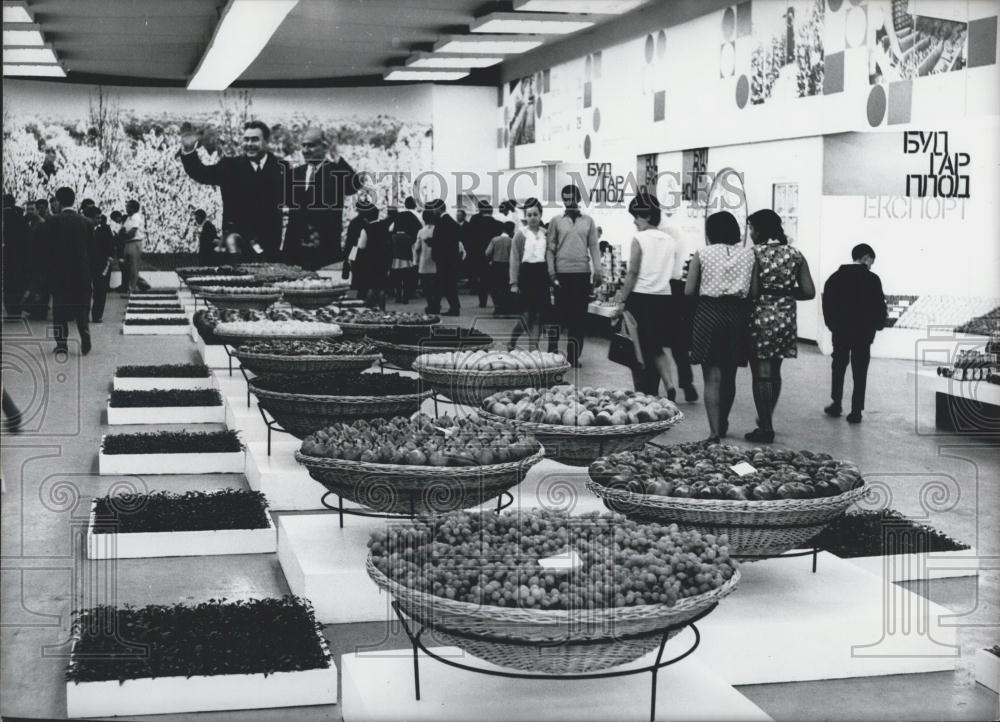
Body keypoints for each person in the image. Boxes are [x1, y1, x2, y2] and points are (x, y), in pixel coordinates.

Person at [745, 208, 815, 442]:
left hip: (760, 316)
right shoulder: (795, 254)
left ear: (760, 229)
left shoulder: (754, 254)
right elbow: (808, 291)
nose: (751, 233)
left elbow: (753, 291)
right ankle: (767, 418)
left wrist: (765, 293)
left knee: (760, 373)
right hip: (786, 316)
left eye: (752, 228)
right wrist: (784, 292)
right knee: (775, 371)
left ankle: (765, 427)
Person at [685, 212, 756, 441]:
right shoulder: (749, 255)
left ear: (710, 231)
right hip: (737, 315)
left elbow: (689, 290)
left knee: (711, 376)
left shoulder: (702, 253)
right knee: (730, 374)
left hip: (708, 313)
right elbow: (754, 292)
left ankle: (714, 431)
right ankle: (723, 420)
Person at [179, 120, 290, 260]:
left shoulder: (281, 169)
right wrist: (189, 150)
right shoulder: (230, 167)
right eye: (246, 139)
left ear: (266, 141)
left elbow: (295, 201)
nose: (249, 144)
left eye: (255, 139)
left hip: (268, 249)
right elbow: (201, 173)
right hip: (235, 247)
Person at [612, 191, 685, 398]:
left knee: (638, 349)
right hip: (664, 298)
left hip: (640, 299)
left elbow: (633, 272)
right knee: (657, 347)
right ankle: (669, 384)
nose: (634, 221)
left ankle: (642, 393)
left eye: (637, 216)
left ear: (649, 216)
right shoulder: (669, 240)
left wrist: (621, 300)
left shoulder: (639, 238)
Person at [822, 243, 887, 424]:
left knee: (838, 366)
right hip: (863, 334)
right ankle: (856, 410)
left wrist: (832, 326)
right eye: (871, 262)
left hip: (840, 331)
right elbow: (879, 306)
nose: (871, 266)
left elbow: (827, 304)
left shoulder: (835, 278)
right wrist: (877, 326)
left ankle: (836, 403)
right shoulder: (872, 279)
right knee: (860, 371)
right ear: (866, 258)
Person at [285, 126, 362, 269]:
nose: (306, 150)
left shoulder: (336, 171)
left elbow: (354, 186)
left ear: (324, 146)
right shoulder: (295, 174)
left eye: (312, 146)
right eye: (304, 145)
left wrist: (336, 156)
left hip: (325, 250)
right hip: (295, 251)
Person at [546, 184, 602, 367]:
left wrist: (598, 270)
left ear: (578, 199)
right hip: (561, 274)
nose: (569, 202)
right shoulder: (556, 221)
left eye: (572, 198)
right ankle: (552, 353)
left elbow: (594, 246)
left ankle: (573, 356)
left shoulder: (588, 221)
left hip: (582, 274)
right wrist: (552, 272)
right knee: (558, 317)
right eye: (565, 198)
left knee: (578, 318)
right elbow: (550, 249)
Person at [43, 187, 92, 356]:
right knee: (81, 307)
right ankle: (85, 338)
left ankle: (62, 343)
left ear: (59, 200)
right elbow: (91, 250)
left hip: (60, 273)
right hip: (81, 272)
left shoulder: (52, 221)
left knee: (60, 308)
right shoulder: (86, 222)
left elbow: (48, 250)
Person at [509, 198, 552, 350]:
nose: (532, 218)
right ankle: (512, 339)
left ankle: (533, 350)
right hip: (526, 275)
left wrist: (552, 278)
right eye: (529, 215)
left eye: (535, 214)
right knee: (525, 317)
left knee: (538, 316)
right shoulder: (520, 235)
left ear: (540, 215)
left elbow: (550, 256)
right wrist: (514, 283)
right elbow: (514, 259)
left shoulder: (546, 234)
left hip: (541, 276)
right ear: (525, 217)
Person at [426, 199, 463, 316]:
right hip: (450, 257)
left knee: (446, 283)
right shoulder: (451, 222)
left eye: (433, 209)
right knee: (445, 283)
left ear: (437, 209)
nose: (432, 211)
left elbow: (441, 240)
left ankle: (449, 307)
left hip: (444, 258)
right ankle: (439, 306)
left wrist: (431, 242)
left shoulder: (442, 222)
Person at [465, 200, 505, 309]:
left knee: (482, 280)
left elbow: (469, 240)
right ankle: (497, 302)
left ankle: (482, 302)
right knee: (495, 281)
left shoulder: (474, 223)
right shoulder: (499, 225)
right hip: (495, 256)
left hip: (479, 256)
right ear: (491, 212)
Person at [355, 209, 394, 310]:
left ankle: (370, 310)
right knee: (381, 286)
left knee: (370, 285)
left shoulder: (365, 229)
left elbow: (361, 246)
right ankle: (382, 310)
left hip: (370, 261)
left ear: (366, 218)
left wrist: (352, 258)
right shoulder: (385, 227)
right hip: (383, 260)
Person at [390, 197, 422, 304]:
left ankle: (398, 294)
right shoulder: (417, 216)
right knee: (409, 271)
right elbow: (420, 230)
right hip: (410, 245)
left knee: (397, 271)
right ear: (414, 205)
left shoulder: (399, 215)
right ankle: (408, 293)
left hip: (398, 246)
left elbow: (391, 229)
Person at [84, 207, 114, 323]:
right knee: (85, 291)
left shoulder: (105, 229)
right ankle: (84, 315)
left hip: (101, 265)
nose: (99, 220)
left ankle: (97, 316)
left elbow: (111, 244)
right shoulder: (83, 228)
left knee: (100, 291)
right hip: (86, 264)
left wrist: (110, 258)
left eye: (100, 218)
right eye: (96, 218)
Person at [343, 200, 378, 294]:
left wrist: (346, 256)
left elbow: (349, 241)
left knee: (355, 270)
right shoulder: (369, 222)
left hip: (354, 249)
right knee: (366, 270)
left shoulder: (354, 222)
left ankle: (357, 290)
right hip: (367, 251)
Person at [2, 194, 29, 316]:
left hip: (6, 252)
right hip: (18, 254)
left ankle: (10, 309)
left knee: (7, 282)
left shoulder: (5, 216)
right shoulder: (19, 216)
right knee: (16, 281)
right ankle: (16, 309)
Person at [485, 221, 515, 315]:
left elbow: (487, 253)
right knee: (506, 287)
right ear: (512, 230)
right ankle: (506, 307)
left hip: (495, 265)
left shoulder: (495, 239)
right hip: (507, 266)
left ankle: (497, 306)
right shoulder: (512, 241)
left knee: (495, 287)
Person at [415, 209, 439, 313]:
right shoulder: (438, 230)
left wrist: (415, 261)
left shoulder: (421, 231)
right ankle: (436, 304)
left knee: (426, 287)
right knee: (436, 286)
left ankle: (430, 304)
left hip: (424, 262)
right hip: (436, 262)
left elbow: (417, 248)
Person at [120, 199, 145, 295]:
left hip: (134, 243)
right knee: (127, 267)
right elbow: (122, 231)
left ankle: (132, 289)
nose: (126, 208)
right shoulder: (129, 218)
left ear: (133, 208)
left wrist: (124, 234)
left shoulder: (136, 217)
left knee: (133, 267)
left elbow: (131, 233)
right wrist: (124, 234)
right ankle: (140, 285)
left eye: (128, 207)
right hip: (128, 243)